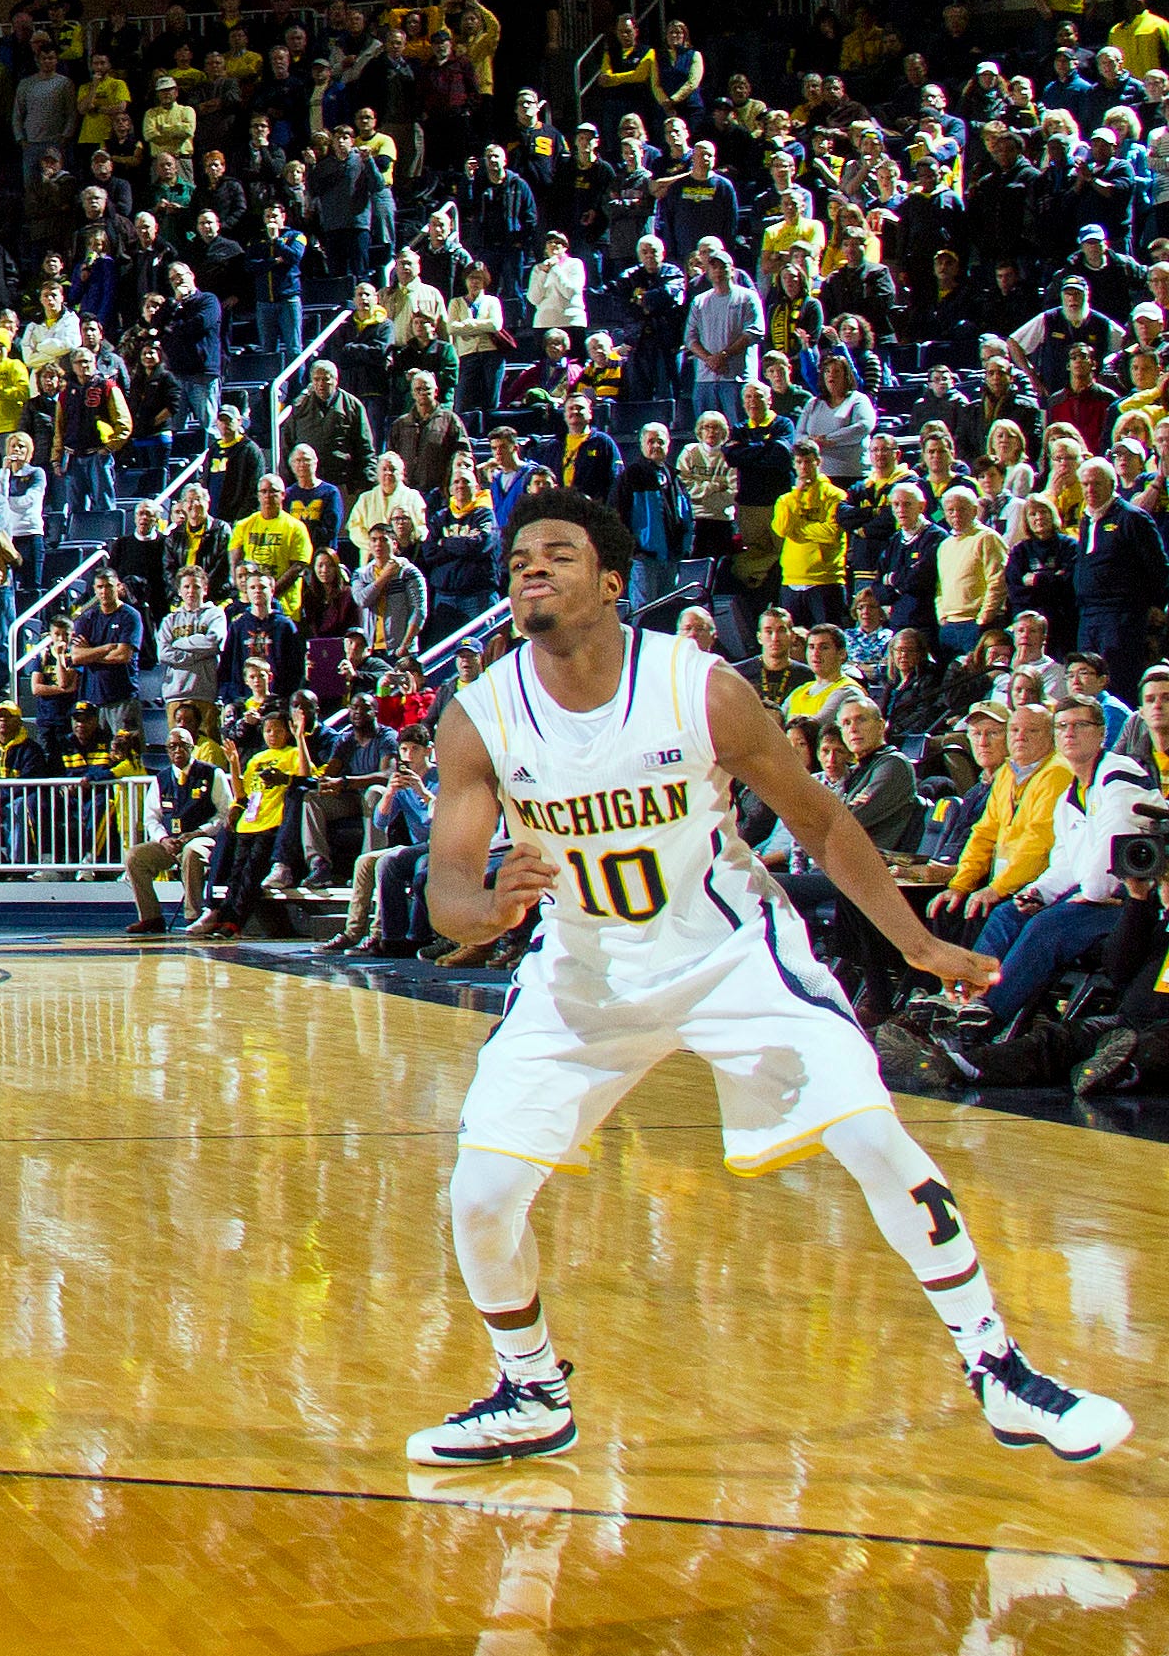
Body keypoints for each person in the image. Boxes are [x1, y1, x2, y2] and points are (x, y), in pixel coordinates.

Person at [404, 488, 1129, 1470]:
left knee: (870, 1132)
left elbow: (823, 817)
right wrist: (485, 906)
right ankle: (530, 1387)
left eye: (558, 552)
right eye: (520, 553)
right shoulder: (479, 716)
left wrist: (916, 943)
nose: (530, 564)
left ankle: (997, 1368)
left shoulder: (696, 689)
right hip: (583, 971)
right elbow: (446, 884)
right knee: (480, 1192)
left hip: (729, 955)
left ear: (612, 582)